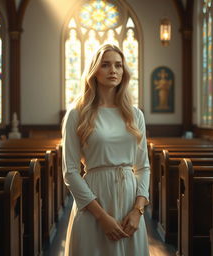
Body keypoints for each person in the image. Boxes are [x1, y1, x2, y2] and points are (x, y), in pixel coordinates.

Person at [62, 43, 150, 256]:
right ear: (94, 71)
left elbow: (143, 167)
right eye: (106, 65)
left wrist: (138, 211)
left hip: (130, 202)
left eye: (119, 65)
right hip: (94, 201)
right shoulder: (77, 114)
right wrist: (101, 217)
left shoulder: (135, 114)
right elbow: (71, 172)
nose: (113, 70)